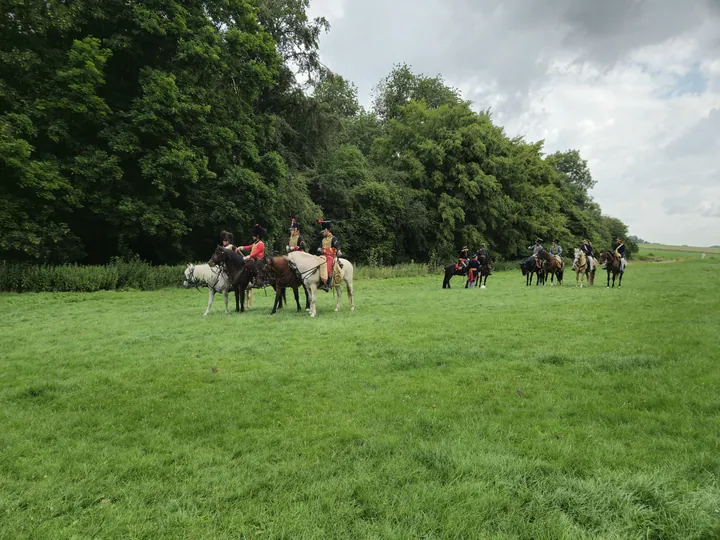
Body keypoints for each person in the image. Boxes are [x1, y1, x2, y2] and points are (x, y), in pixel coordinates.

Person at [317, 219, 341, 292]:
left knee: (328, 266)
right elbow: (320, 247)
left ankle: (327, 284)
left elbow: (337, 246)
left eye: (323, 232)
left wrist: (339, 251)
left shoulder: (333, 238)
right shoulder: (323, 239)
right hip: (323, 256)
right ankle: (320, 281)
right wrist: (319, 249)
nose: (322, 233)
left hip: (331, 256)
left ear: (326, 230)